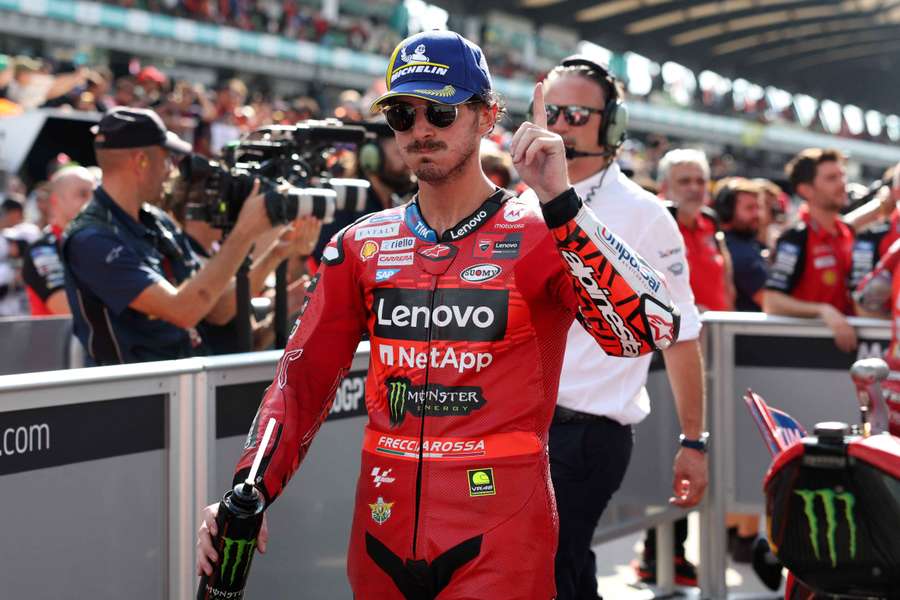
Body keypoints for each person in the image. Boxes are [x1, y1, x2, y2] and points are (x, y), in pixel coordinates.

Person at [196, 30, 680, 599]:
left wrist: (561, 202)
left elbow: (649, 330)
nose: (421, 129)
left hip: (502, 536)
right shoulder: (361, 244)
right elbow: (301, 383)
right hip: (380, 531)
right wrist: (249, 487)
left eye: (441, 111)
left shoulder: (544, 231)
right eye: (403, 114)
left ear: (486, 115)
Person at [518, 58, 707, 597]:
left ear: (613, 126)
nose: (560, 124)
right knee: (561, 571)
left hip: (586, 435)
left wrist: (695, 441)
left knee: (550, 568)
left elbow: (683, 335)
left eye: (577, 113)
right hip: (520, 427)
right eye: (550, 111)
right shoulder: (517, 204)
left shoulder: (645, 213)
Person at [62, 107, 277, 365]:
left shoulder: (157, 220)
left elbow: (215, 309)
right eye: (166, 159)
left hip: (181, 388)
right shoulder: (92, 239)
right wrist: (243, 232)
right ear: (141, 161)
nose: (170, 171)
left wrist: (277, 250)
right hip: (131, 398)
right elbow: (183, 311)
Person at [762, 148, 856, 352]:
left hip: (847, 347)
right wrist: (823, 311)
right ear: (806, 190)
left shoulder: (846, 231)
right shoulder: (796, 237)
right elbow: (772, 301)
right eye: (832, 178)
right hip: (805, 353)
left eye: (842, 175)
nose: (842, 184)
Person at [658, 148, 735, 312]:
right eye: (684, 181)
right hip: (676, 331)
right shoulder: (652, 221)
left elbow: (726, 282)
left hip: (716, 328)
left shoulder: (710, 221)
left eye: (700, 181)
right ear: (664, 186)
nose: (694, 188)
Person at [22, 166, 95, 316]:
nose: (92, 202)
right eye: (82, 194)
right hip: (60, 339)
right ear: (56, 201)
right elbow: (70, 309)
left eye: (95, 194)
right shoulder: (43, 249)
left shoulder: (98, 242)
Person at [715, 177, 769, 312]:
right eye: (750, 208)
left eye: (759, 207)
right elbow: (771, 302)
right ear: (727, 211)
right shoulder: (741, 254)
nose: (757, 214)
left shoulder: (747, 243)